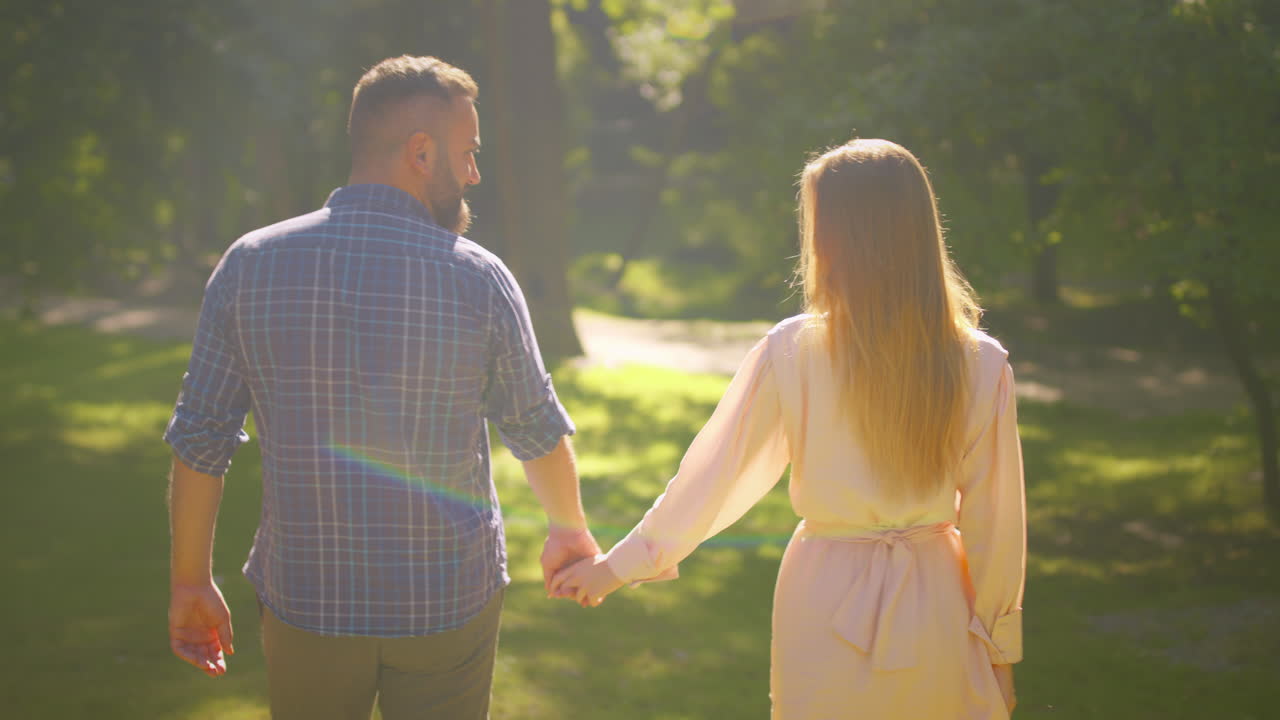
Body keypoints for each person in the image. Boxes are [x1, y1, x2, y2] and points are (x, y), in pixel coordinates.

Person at [164, 55, 600, 719]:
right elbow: (535, 426)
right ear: (421, 153)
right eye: (468, 152)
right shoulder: (479, 279)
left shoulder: (249, 265)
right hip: (447, 604)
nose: (476, 172)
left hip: (305, 603)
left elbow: (200, 439)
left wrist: (191, 580)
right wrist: (569, 529)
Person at [553, 139, 1026, 719]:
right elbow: (996, 529)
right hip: (936, 603)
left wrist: (615, 568)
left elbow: (712, 482)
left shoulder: (795, 350)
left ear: (834, 240)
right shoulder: (978, 362)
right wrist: (999, 656)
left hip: (824, 593)